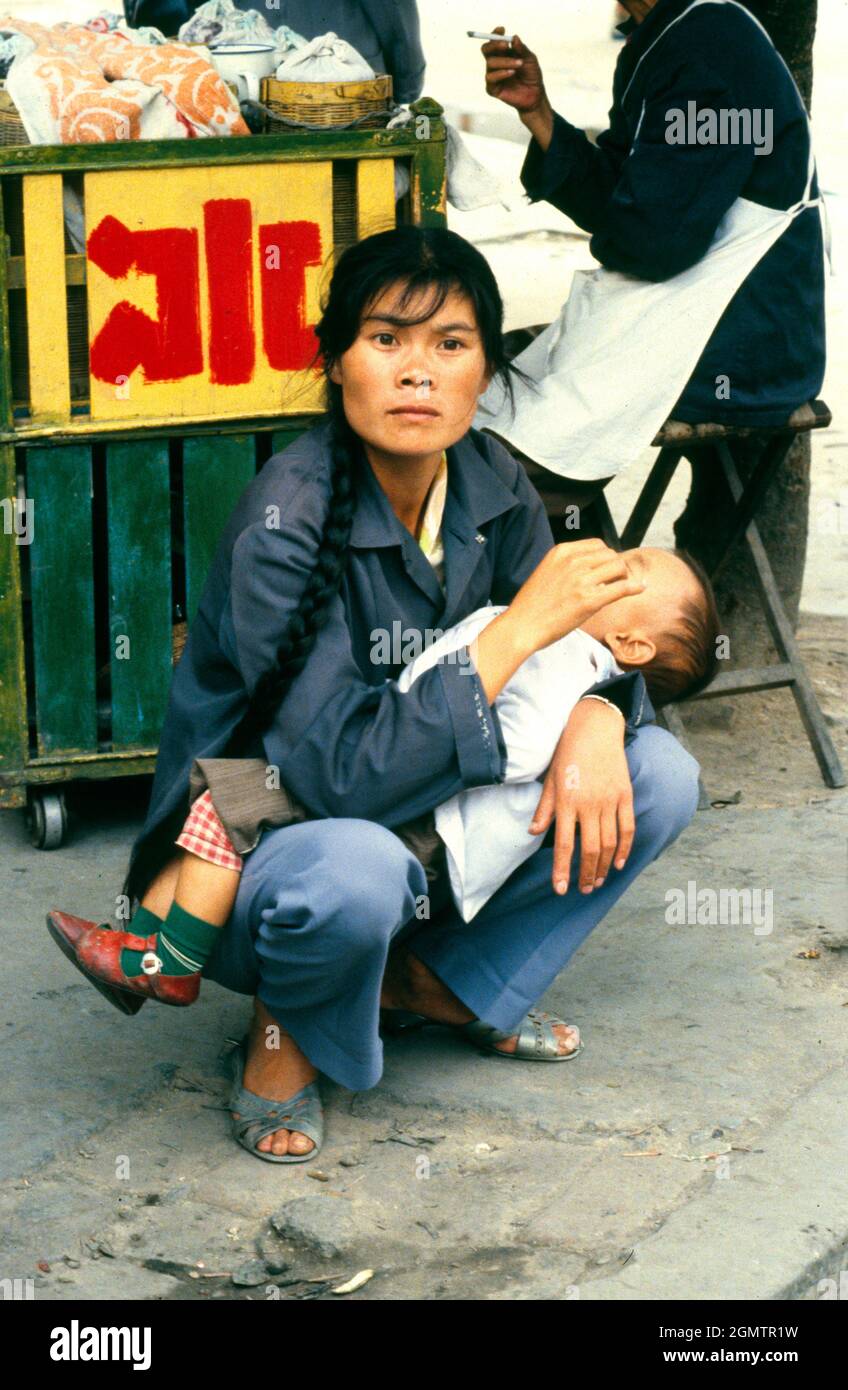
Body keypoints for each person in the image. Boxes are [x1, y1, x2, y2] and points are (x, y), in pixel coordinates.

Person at [47, 226, 701, 1164]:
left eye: (451, 345)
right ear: (336, 361)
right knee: (355, 869)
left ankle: (442, 985)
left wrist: (601, 715)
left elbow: (604, 642)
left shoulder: (493, 484)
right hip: (264, 854)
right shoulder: (287, 520)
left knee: (659, 772)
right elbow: (336, 780)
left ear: (486, 371)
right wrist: (517, 634)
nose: (418, 373)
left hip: (435, 830)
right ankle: (286, 1043)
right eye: (386, 339)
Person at [476, 1, 827, 490]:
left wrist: (625, 231)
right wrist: (538, 114)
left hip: (741, 348)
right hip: (698, 316)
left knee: (509, 450)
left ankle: (564, 551)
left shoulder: (711, 48)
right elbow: (629, 198)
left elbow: (656, 244)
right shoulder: (668, 33)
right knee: (488, 386)